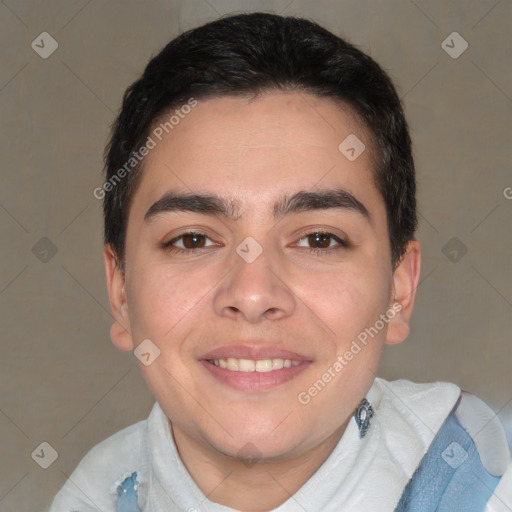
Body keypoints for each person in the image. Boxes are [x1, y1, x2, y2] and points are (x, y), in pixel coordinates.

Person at [50, 12, 512, 512]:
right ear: (120, 293)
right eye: (191, 240)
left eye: (318, 239)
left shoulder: (486, 480)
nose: (252, 295)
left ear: (399, 289)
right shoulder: (94, 494)